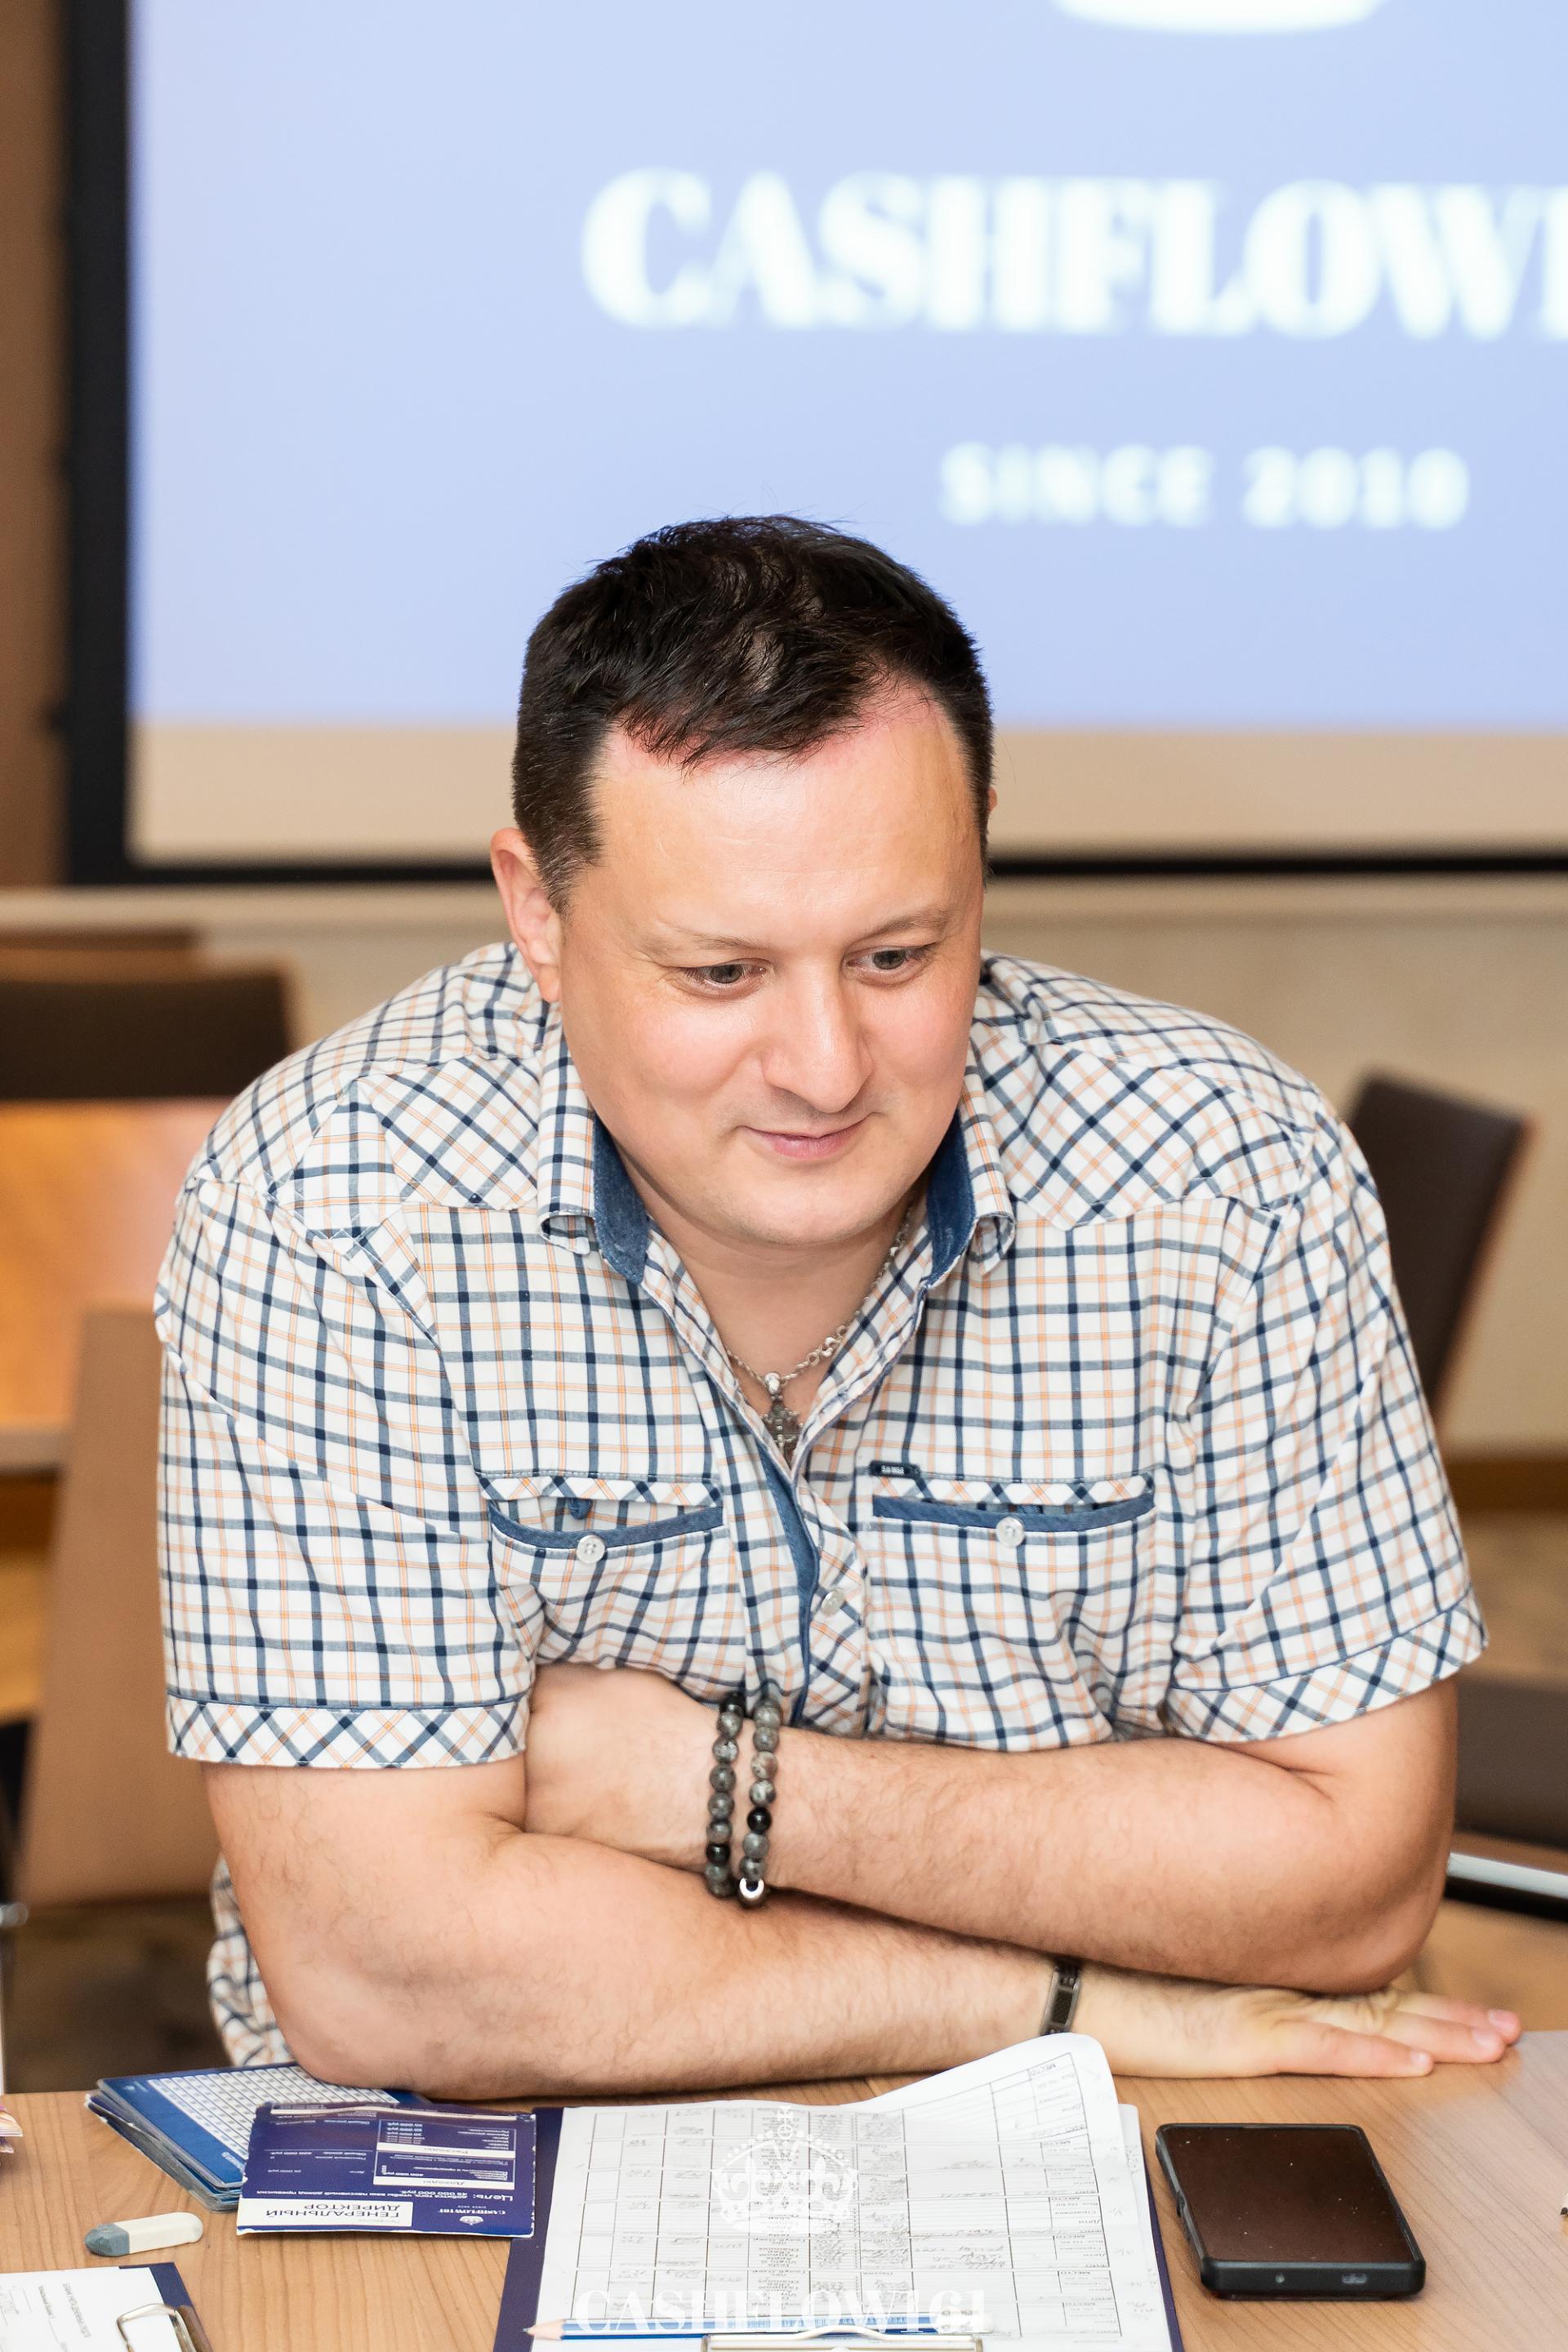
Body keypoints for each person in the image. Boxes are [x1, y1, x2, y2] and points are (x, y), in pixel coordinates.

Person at [158, 517, 1517, 2094]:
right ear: (536, 912)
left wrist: (716, 1783)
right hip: (539, 2124)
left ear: (980, 859)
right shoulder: (334, 1204)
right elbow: (394, 1981)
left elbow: (1353, 1884)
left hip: (1153, 2113)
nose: (824, 1069)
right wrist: (1073, 2001)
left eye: (894, 954)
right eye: (720, 974)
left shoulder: (1229, 1180)